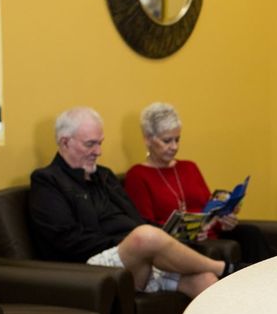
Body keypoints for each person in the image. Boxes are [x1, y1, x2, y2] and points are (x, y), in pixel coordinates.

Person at [29, 107, 231, 298]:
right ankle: (225, 268)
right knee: (144, 236)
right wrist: (127, 243)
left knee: (205, 280)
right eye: (90, 144)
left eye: (100, 143)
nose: (98, 151)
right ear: (65, 143)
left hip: (134, 255)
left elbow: (136, 218)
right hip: (90, 264)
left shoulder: (104, 176)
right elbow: (66, 239)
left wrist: (171, 232)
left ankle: (218, 285)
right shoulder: (48, 180)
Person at [123, 102, 275, 264]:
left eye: (177, 139)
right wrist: (187, 232)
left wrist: (223, 221)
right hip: (177, 243)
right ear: (147, 139)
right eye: (167, 141)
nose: (174, 146)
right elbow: (146, 226)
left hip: (209, 233)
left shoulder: (189, 167)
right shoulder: (137, 175)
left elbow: (210, 207)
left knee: (252, 234)